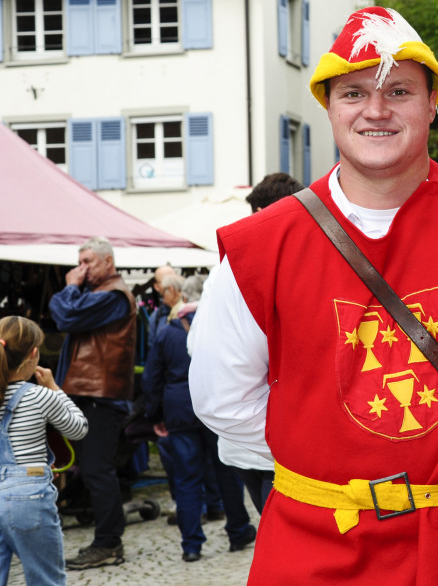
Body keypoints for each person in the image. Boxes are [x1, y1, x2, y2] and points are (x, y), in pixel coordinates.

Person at [189, 6, 438, 584]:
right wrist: (329, 463)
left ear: (433, 102)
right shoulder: (262, 246)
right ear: (329, 107)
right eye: (355, 93)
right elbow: (222, 398)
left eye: (399, 90)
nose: (377, 110)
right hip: (317, 543)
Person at [186, 172, 304, 515]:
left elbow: (197, 347)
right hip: (272, 447)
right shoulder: (242, 265)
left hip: (244, 445)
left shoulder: (227, 268)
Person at [143, 276, 256, 561]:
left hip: (180, 411)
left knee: (186, 479)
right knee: (228, 471)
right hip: (215, 405)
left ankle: (191, 545)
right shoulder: (219, 325)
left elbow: (152, 379)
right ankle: (238, 530)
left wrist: (155, 415)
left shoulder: (167, 333)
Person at [48, 236, 137, 570]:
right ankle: (105, 539)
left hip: (101, 397)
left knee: (99, 471)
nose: (81, 269)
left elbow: (66, 317)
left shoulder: (113, 295)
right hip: (91, 395)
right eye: (79, 262)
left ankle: (109, 543)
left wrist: (69, 286)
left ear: (108, 262)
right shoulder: (101, 294)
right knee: (93, 470)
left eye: (88, 262)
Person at [0, 316, 89, 586]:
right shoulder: (40, 396)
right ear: (34, 354)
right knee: (45, 579)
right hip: (29, 493)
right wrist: (55, 389)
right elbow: (78, 429)